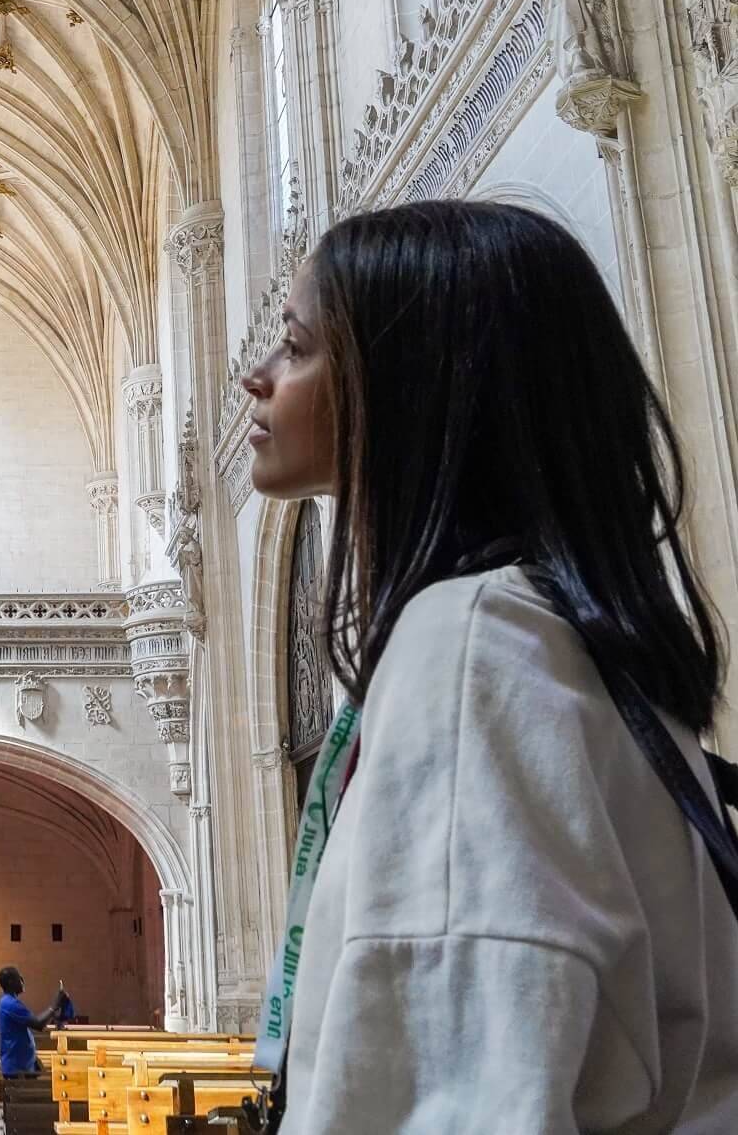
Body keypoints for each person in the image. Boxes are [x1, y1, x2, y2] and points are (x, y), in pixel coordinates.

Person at [242, 200, 738, 1131]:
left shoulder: (474, 643)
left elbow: (453, 1083)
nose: (254, 378)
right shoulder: (554, 638)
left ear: (409, 385)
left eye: (297, 346)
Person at [0, 966, 67, 1076]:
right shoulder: (10, 1004)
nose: (22, 981)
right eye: (18, 978)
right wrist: (55, 1005)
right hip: (16, 1068)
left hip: (22, 1065)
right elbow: (38, 1024)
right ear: (10, 982)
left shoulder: (9, 1001)